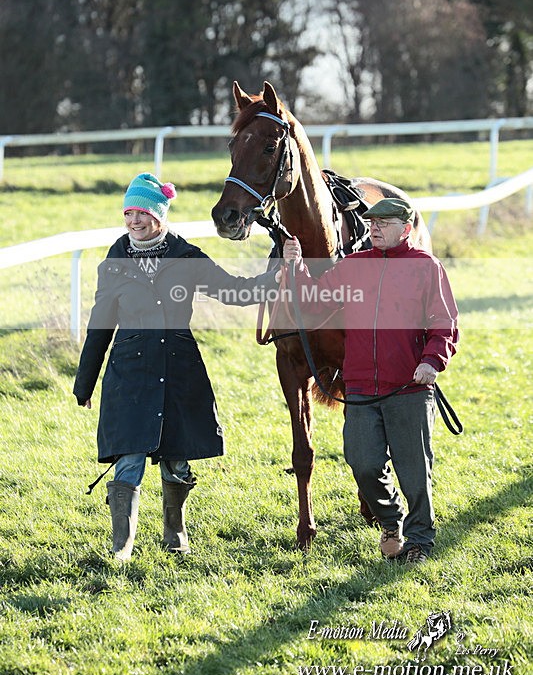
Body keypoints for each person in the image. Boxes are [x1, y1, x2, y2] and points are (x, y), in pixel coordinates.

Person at [74, 172, 278, 561]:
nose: (134, 221)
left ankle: (175, 533)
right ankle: (122, 546)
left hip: (178, 371)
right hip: (129, 374)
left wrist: (276, 277)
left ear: (159, 214)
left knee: (176, 458)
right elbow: (100, 325)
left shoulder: (186, 257)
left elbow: (234, 291)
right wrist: (85, 383)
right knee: (129, 457)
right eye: (129, 213)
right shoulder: (114, 262)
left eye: (142, 213)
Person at [283, 197, 459, 564]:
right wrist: (296, 268)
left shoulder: (426, 267)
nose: (374, 228)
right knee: (362, 462)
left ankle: (419, 541)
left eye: (384, 223)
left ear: (405, 229)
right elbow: (314, 302)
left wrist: (432, 361)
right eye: (372, 223)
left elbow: (444, 323)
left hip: (409, 387)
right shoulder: (354, 266)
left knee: (414, 471)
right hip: (361, 387)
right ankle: (391, 520)